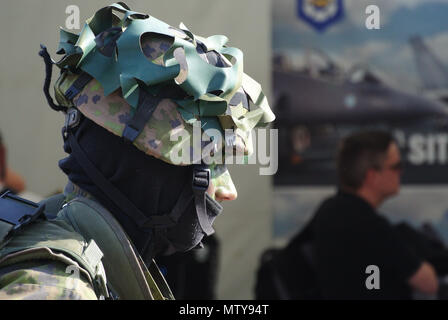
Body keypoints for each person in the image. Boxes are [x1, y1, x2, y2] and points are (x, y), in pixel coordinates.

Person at [0, 2, 275, 300]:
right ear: (150, 166)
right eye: (211, 161)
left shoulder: (57, 246)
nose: (227, 191)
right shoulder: (60, 290)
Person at [311, 130, 438, 299]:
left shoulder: (329, 209)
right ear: (372, 176)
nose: (400, 173)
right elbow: (428, 283)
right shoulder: (369, 224)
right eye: (396, 167)